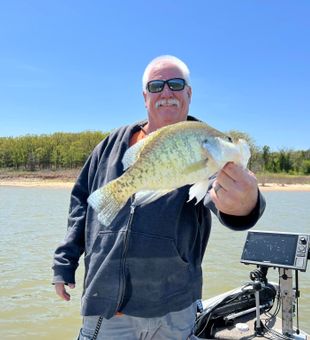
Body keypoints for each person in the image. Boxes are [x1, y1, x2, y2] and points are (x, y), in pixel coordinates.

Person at [52, 55, 265, 340]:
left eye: (176, 84)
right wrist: (64, 263)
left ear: (189, 93)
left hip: (175, 310)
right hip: (107, 305)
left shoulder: (205, 144)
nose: (166, 92)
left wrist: (246, 204)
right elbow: (81, 202)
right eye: (156, 86)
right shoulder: (111, 144)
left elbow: (221, 198)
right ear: (145, 97)